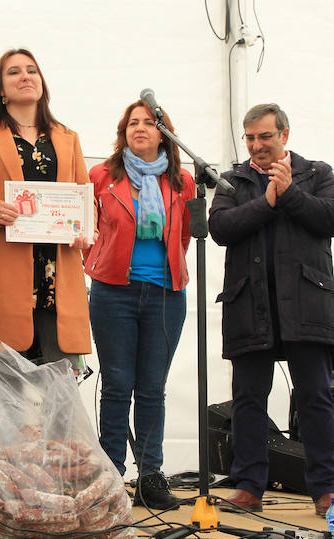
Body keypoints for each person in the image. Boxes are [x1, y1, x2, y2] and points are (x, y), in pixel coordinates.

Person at [208, 103, 334, 517]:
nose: (256, 145)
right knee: (248, 399)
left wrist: (290, 194)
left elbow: (332, 219)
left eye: (264, 136)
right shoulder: (233, 179)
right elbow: (220, 228)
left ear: (284, 134)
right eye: (250, 137)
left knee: (315, 397)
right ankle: (249, 485)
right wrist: (267, 202)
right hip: (250, 303)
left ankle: (325, 488)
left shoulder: (316, 172)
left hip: (305, 302)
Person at [0, 48, 91, 368]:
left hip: (57, 284)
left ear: (42, 82)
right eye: (14, 72)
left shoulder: (69, 139)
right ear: (0, 89)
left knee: (59, 400)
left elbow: (85, 200)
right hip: (2, 284)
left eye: (32, 70)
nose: (25, 76)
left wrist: (85, 229)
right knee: (4, 402)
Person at [84, 100, 195, 509]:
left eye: (150, 122)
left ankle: (150, 476)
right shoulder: (101, 176)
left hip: (167, 294)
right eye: (133, 122)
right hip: (114, 291)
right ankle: (111, 475)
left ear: (165, 132)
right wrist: (92, 259)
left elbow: (182, 237)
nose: (141, 128)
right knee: (116, 386)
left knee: (152, 389)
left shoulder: (183, 180)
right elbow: (86, 226)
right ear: (123, 130)